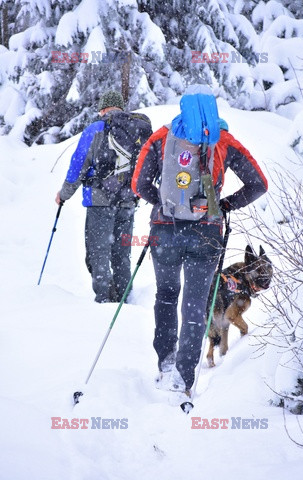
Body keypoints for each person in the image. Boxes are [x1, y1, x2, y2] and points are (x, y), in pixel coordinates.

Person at [131, 84, 268, 395]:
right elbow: (259, 184)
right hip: (206, 232)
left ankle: (166, 361)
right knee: (195, 304)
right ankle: (183, 378)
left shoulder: (164, 137)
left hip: (165, 230)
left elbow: (139, 183)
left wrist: (163, 204)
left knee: (166, 295)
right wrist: (224, 204)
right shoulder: (223, 140)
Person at [56, 90, 152, 303]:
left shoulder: (96, 129)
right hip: (128, 200)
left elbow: (79, 165)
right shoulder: (135, 129)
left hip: (100, 200)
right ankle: (125, 300)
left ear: (102, 108)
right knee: (121, 253)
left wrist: (64, 194)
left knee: (98, 253)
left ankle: (103, 301)